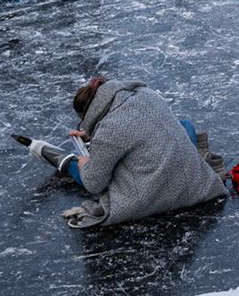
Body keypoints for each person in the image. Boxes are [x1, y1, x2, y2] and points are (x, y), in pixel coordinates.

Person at [16, 78, 225, 229]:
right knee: (184, 125)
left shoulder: (109, 130)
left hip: (153, 190)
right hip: (190, 180)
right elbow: (140, 124)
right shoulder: (145, 94)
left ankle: (65, 161)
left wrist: (86, 161)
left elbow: (94, 184)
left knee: (87, 169)